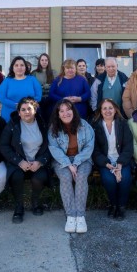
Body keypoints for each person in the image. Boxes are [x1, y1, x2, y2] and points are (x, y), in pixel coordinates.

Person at [0, 97, 51, 224]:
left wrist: (40, 161)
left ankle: (35, 201)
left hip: (37, 162)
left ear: (35, 110)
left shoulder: (43, 123)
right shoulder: (13, 124)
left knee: (39, 177)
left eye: (29, 109)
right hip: (19, 162)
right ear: (19, 112)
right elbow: (3, 146)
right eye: (23, 110)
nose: (26, 112)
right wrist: (19, 161)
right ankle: (18, 207)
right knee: (16, 176)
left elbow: (50, 146)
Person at [48, 99, 95, 234]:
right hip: (61, 160)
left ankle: (80, 216)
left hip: (83, 159)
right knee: (65, 177)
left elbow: (89, 147)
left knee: (81, 176)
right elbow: (54, 149)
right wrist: (68, 164)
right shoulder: (53, 129)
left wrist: (76, 162)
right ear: (58, 114)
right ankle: (70, 215)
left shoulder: (84, 125)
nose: (65, 113)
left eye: (68, 110)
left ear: (73, 111)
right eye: (61, 111)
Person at [91, 98, 133, 220]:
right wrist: (107, 164)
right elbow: (95, 150)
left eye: (110, 108)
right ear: (100, 111)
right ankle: (113, 205)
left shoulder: (122, 123)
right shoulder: (95, 125)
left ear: (115, 110)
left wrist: (119, 164)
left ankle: (121, 206)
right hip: (106, 162)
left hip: (122, 160)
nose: (108, 111)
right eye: (104, 108)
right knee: (109, 180)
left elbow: (128, 146)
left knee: (124, 179)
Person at [0, 56, 43, 122]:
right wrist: (17, 106)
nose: (19, 67)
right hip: (9, 116)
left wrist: (26, 106)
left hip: (28, 114)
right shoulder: (7, 81)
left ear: (25, 67)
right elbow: (2, 98)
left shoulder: (32, 80)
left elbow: (38, 96)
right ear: (12, 68)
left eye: (22, 65)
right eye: (16, 65)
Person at [31, 52, 55, 122]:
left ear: (48, 61)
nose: (44, 62)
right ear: (39, 61)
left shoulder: (54, 72)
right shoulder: (34, 73)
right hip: (38, 100)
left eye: (46, 60)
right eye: (42, 60)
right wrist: (43, 86)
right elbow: (32, 87)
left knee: (50, 120)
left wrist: (47, 86)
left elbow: (56, 86)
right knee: (39, 120)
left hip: (50, 100)